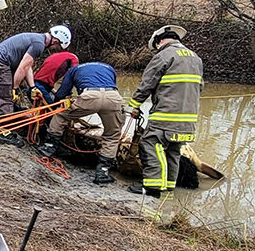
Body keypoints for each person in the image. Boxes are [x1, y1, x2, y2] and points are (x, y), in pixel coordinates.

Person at [127, 25, 203, 197]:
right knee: (173, 151)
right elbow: (200, 87)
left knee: (150, 144)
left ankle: (153, 188)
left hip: (166, 116)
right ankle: (168, 186)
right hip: (188, 120)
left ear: (159, 41)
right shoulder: (196, 58)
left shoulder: (164, 55)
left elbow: (147, 83)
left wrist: (134, 106)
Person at [36, 62, 125, 184]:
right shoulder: (109, 67)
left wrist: (57, 105)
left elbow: (62, 93)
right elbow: (111, 85)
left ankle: (48, 148)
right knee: (112, 135)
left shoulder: (73, 70)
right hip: (113, 98)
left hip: (89, 96)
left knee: (61, 116)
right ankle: (102, 172)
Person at [0, 26, 71, 146]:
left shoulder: (36, 39)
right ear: (55, 41)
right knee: (7, 98)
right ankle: (5, 133)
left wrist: (33, 86)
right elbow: (23, 66)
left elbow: (28, 66)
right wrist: (14, 88)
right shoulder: (38, 44)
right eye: (57, 47)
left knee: (0, 94)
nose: (55, 49)